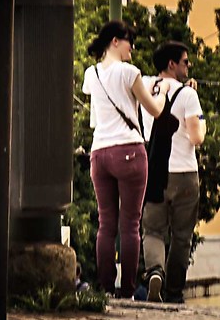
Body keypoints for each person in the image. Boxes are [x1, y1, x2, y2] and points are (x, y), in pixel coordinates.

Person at [83, 22, 164, 298]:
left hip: (99, 153)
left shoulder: (91, 73)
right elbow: (154, 110)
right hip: (128, 150)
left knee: (106, 223)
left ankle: (106, 289)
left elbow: (95, 115)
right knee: (130, 224)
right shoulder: (130, 72)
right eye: (130, 41)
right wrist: (163, 92)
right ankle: (127, 291)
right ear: (115, 41)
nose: (133, 48)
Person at [142, 41, 205, 303]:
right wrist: (201, 119)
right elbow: (197, 137)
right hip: (185, 173)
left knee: (153, 230)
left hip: (155, 171)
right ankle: (173, 293)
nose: (189, 66)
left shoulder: (145, 86)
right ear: (172, 64)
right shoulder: (188, 95)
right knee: (182, 236)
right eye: (185, 61)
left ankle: (155, 271)